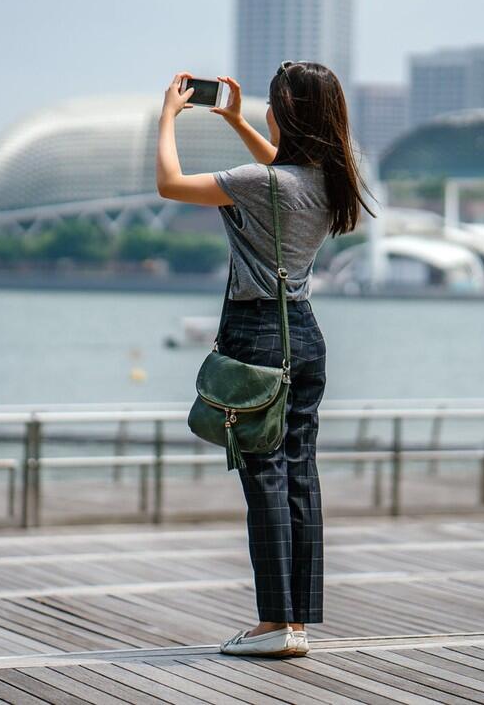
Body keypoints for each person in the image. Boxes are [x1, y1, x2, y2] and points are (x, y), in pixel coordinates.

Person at [155, 62, 377, 657]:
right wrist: (234, 121)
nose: (269, 114)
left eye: (273, 105)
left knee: (264, 477)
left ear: (287, 114)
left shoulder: (263, 183)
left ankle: (275, 625)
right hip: (305, 335)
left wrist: (168, 117)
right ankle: (295, 622)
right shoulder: (331, 181)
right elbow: (281, 165)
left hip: (257, 334)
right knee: (300, 473)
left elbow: (170, 185)